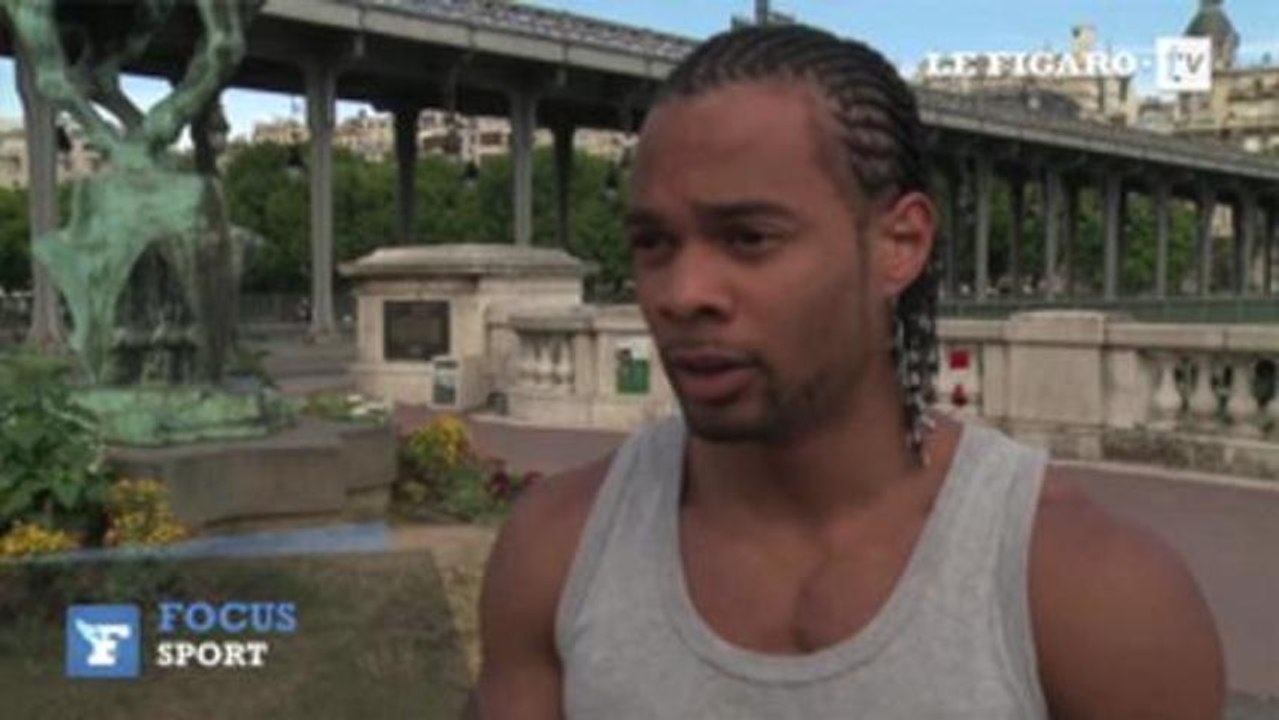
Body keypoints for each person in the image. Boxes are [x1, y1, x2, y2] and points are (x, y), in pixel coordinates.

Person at [476, 24, 1224, 719]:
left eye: (748, 238)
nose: (681, 294)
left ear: (900, 243)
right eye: (653, 243)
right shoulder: (556, 548)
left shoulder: (1090, 595)